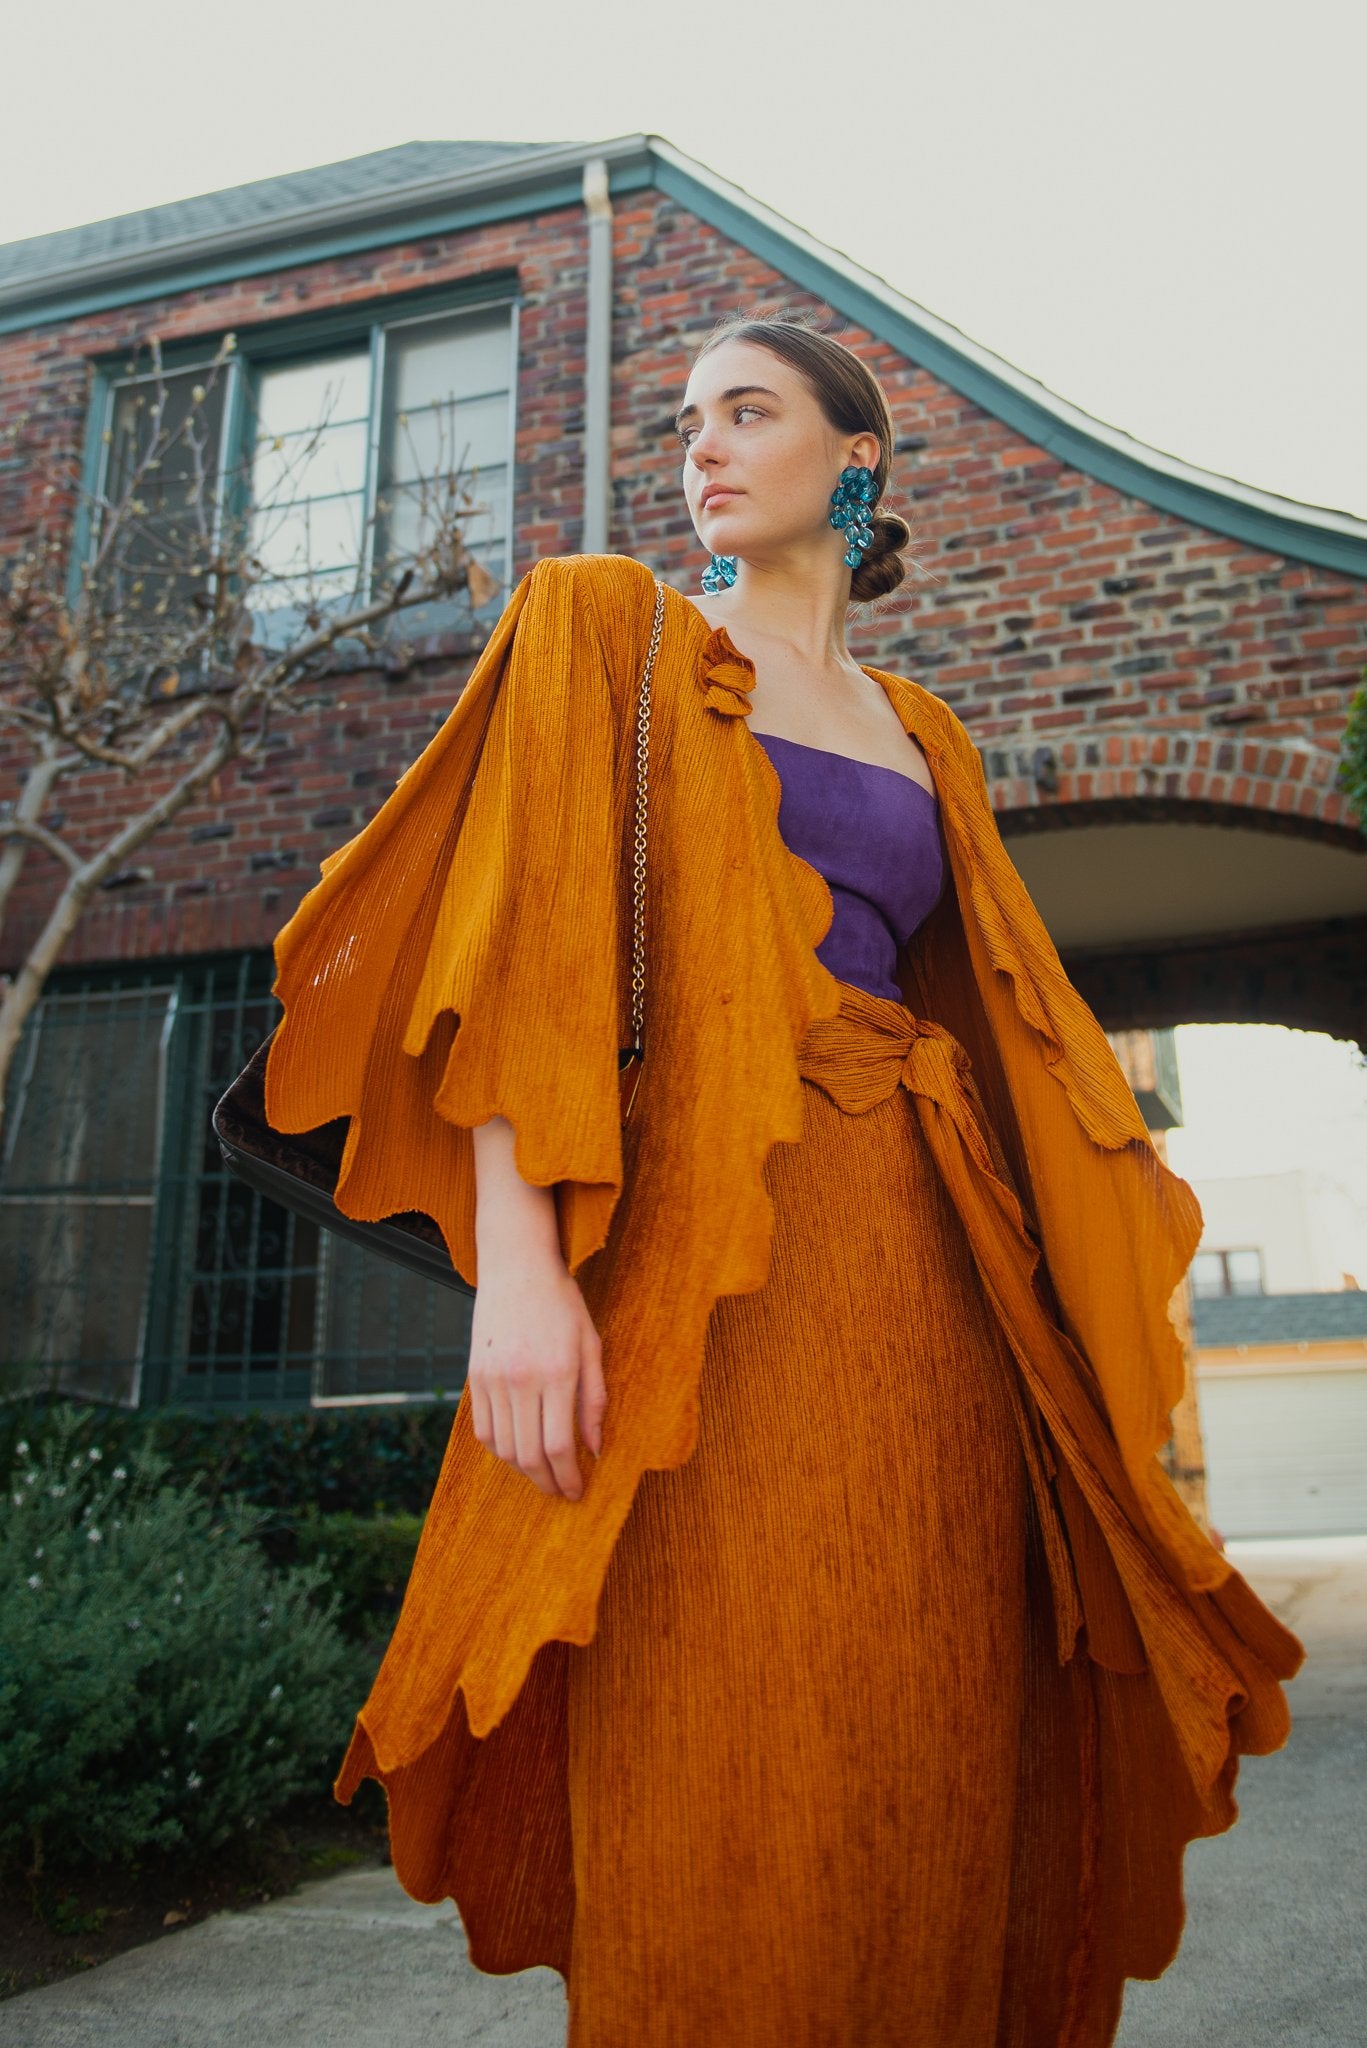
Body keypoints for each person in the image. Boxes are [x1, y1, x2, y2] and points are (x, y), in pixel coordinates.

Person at [264, 313, 1304, 2047]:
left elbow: (1019, 1036)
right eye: (687, 421)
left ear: (858, 459)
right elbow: (530, 958)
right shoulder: (609, 633)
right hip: (706, 1267)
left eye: (749, 412)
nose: (702, 446)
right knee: (720, 1711)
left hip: (936, 1266)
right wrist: (519, 1276)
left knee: (937, 1700)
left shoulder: (927, 735)